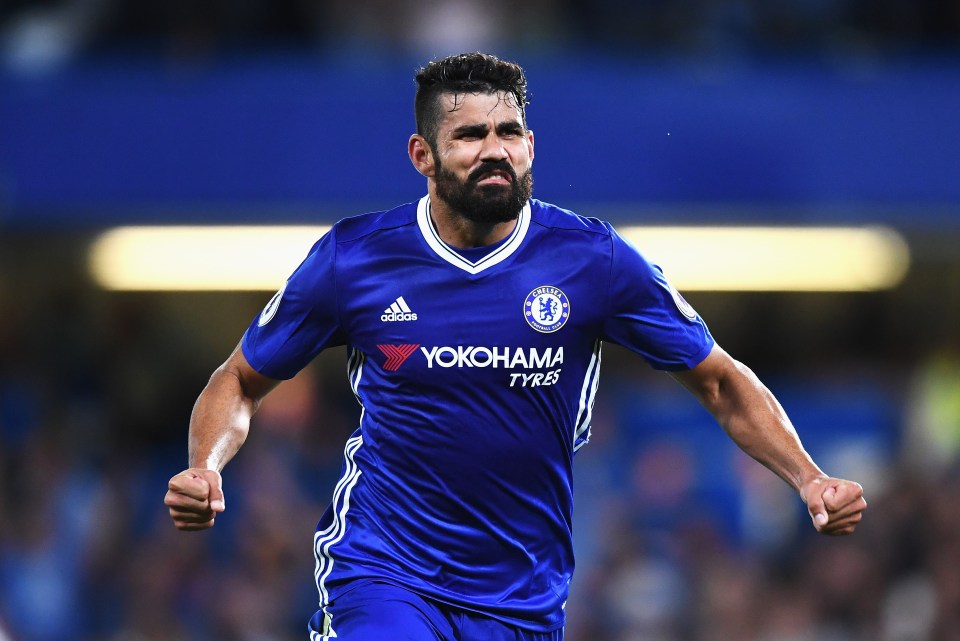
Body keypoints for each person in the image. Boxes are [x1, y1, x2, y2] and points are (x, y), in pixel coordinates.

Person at [164, 52, 867, 641]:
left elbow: (718, 380)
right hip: (384, 570)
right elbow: (241, 379)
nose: (494, 149)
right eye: (469, 135)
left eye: (509, 131)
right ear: (423, 154)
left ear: (531, 144)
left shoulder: (594, 259)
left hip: (522, 595)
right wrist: (206, 465)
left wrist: (809, 478)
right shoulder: (355, 259)